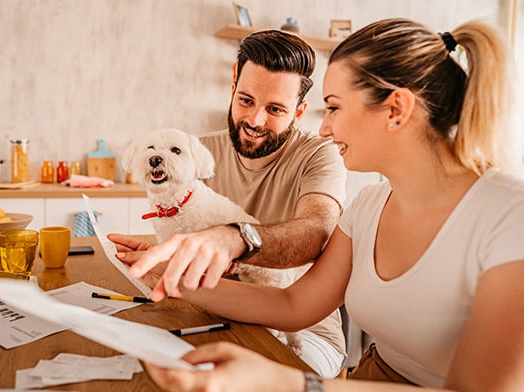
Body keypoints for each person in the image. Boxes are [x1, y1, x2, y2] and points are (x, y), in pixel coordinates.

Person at [127, 18, 524, 391]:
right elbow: (293, 303)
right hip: (373, 376)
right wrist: (169, 275)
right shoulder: (369, 206)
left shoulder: (510, 217)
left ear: (396, 110)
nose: (324, 126)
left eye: (333, 107)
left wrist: (287, 382)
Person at [109, 29, 348, 377]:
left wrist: (236, 238)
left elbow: (318, 231)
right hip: (215, 312)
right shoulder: (194, 151)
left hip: (306, 331)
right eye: (246, 100)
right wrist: (171, 261)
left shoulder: (319, 155)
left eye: (276, 109)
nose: (254, 121)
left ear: (299, 112)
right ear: (233, 83)